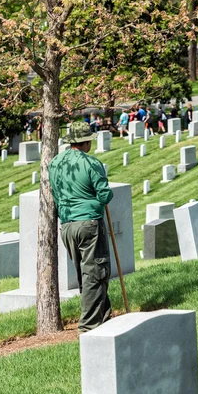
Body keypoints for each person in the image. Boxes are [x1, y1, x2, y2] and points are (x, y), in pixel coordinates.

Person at [48, 122, 114, 333]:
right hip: (89, 224)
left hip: (67, 225)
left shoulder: (55, 163)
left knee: (86, 274)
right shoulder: (91, 163)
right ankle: (89, 327)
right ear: (85, 142)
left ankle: (104, 316)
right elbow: (104, 195)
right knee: (95, 273)